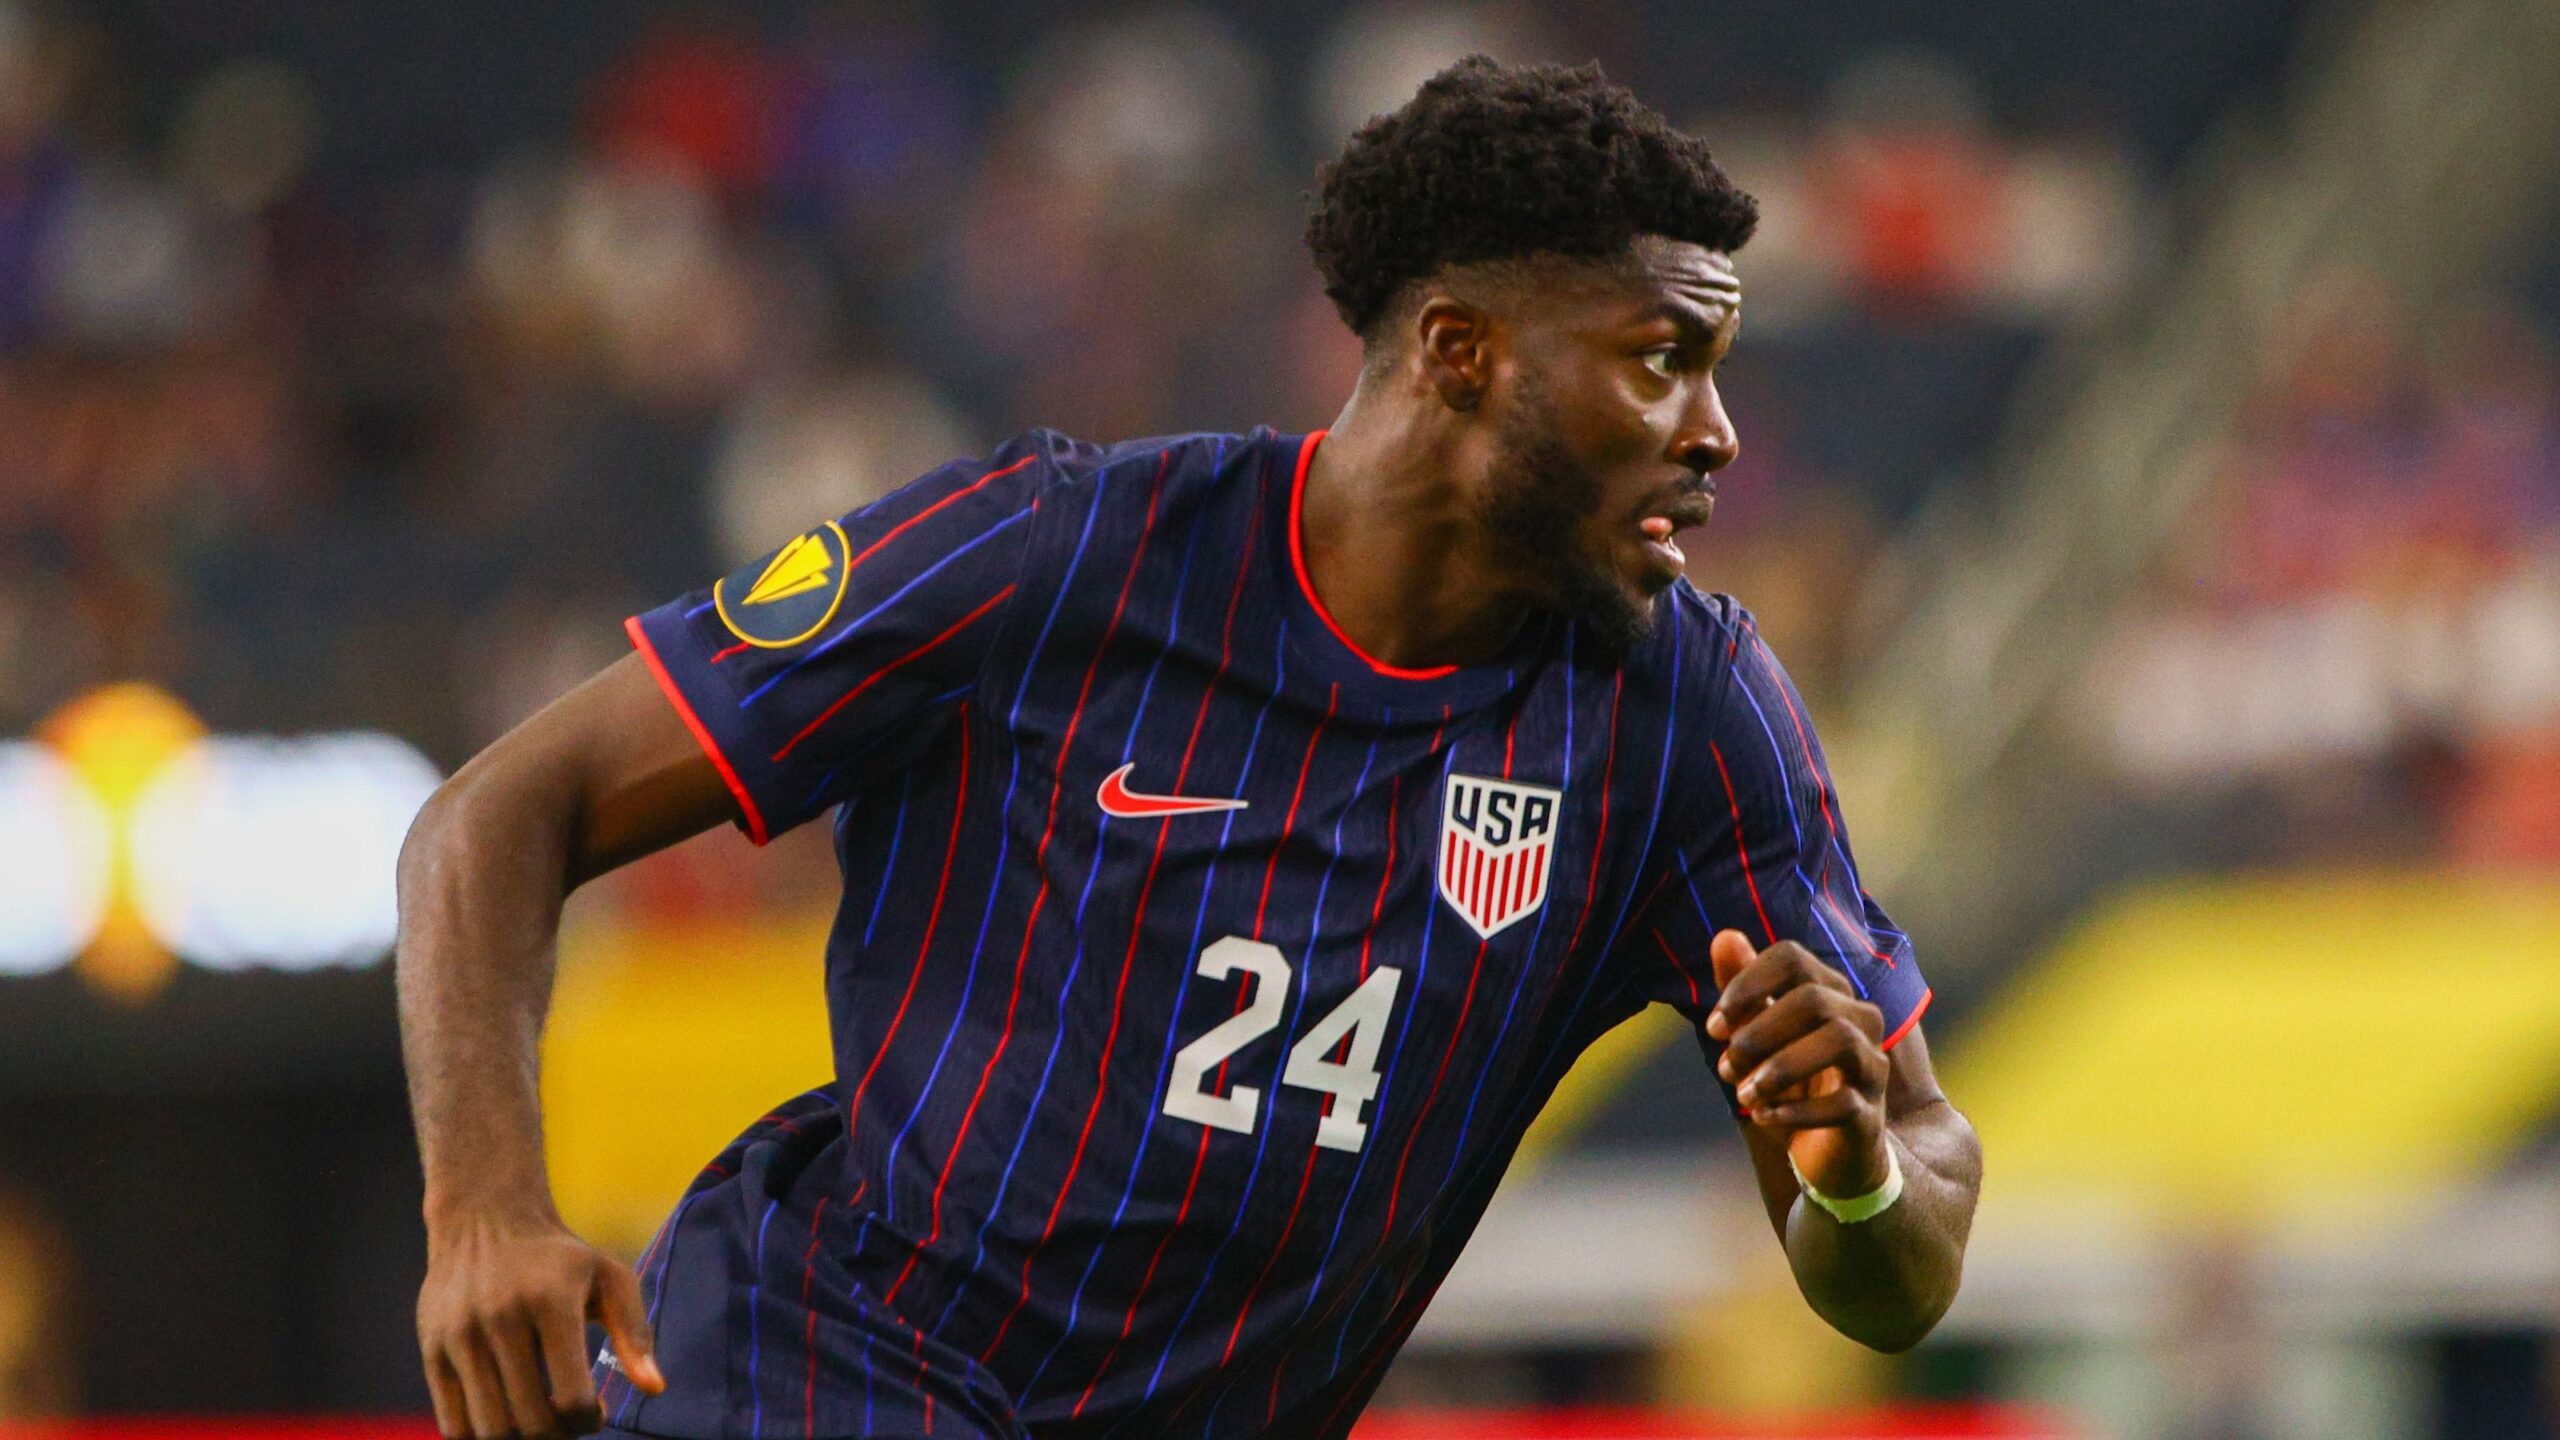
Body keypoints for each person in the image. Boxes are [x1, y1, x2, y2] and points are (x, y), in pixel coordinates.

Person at [397, 55, 1982, 1440]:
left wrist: (1849, 1168)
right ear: (1459, 351)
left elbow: (1905, 1253)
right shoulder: (1053, 554)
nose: (1714, 433)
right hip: (821, 1372)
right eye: (1659, 358)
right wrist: (483, 1216)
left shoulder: (1680, 716)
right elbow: (494, 814)